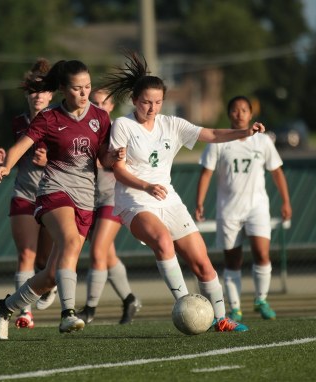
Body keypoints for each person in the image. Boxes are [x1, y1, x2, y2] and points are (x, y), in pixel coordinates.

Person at [101, 51, 265, 332]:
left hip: (168, 199)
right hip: (135, 200)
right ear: (134, 100)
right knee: (163, 242)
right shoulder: (123, 125)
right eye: (146, 102)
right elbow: (117, 169)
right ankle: (185, 305)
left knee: (203, 263)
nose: (152, 108)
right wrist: (146, 186)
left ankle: (221, 318)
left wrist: (245, 132)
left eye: (157, 102)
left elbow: (212, 135)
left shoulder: (171, 124)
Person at [0, 59, 121, 340]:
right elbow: (21, 145)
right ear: (63, 89)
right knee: (71, 242)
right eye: (77, 88)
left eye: (87, 86)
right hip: (54, 191)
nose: (84, 93)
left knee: (50, 275)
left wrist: (115, 157)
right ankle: (68, 314)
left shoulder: (101, 117)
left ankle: (5, 308)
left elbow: (103, 158)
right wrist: (6, 165)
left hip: (87, 197)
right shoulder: (49, 118)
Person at [195, 96, 292, 322]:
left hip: (257, 207)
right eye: (235, 110)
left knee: (262, 253)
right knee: (232, 261)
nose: (239, 114)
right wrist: (199, 202)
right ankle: (236, 307)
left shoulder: (263, 141)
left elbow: (276, 171)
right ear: (229, 114)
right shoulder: (219, 141)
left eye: (244, 110)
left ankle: (261, 299)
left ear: (251, 114)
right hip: (228, 210)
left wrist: (286, 201)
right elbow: (206, 172)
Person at [0, 58, 57, 330]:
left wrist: (48, 161)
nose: (37, 95)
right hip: (25, 193)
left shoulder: (58, 118)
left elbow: (73, 157)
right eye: (32, 90)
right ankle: (24, 313)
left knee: (45, 261)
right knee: (26, 254)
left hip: (54, 194)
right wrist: (4, 160)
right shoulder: (19, 121)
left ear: (51, 93)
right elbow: (17, 152)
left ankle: (47, 285)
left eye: (43, 90)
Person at [76, 88, 141, 325]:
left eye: (104, 103)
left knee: (97, 252)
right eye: (95, 102)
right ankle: (130, 299)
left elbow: (124, 162)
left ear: (112, 106)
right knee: (108, 256)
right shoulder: (81, 127)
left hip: (112, 197)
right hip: (87, 198)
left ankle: (90, 309)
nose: (99, 106)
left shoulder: (117, 130)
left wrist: (112, 158)